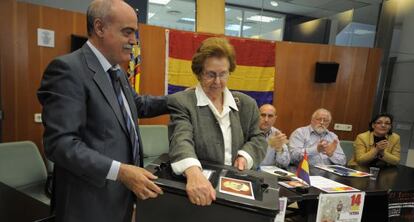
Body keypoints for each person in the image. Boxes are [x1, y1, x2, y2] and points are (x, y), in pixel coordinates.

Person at [37, 1, 167, 221]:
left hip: (119, 199)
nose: (134, 41)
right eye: (127, 32)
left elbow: (138, 105)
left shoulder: (116, 72)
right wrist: (121, 172)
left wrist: (184, 98)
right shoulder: (68, 70)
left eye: (135, 33)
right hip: (88, 205)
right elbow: (60, 144)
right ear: (99, 28)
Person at [168, 37, 266, 206]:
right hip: (198, 191)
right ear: (199, 73)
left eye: (223, 74)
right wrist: (193, 172)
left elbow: (258, 138)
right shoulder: (183, 102)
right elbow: (181, 138)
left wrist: (245, 156)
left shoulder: (247, 104)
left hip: (235, 190)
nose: (218, 82)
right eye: (211, 74)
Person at [258, 104, 290, 168]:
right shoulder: (248, 131)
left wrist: (279, 149)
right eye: (263, 115)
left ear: (275, 118)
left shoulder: (277, 135)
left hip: (269, 173)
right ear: (257, 115)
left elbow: (285, 163)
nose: (266, 119)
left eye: (270, 116)